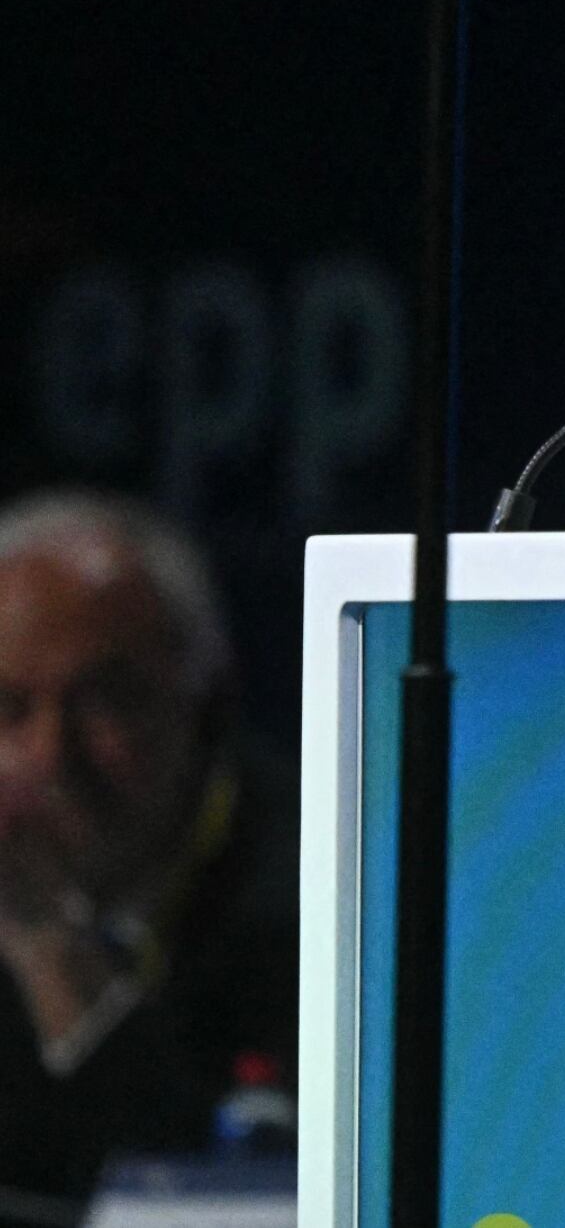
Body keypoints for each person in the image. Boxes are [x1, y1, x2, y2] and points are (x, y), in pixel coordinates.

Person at [0, 491, 293, 1201]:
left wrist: (59, 967)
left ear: (210, 703)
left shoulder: (328, 898)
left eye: (105, 699)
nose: (51, 756)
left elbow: (229, 1205)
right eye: (8, 708)